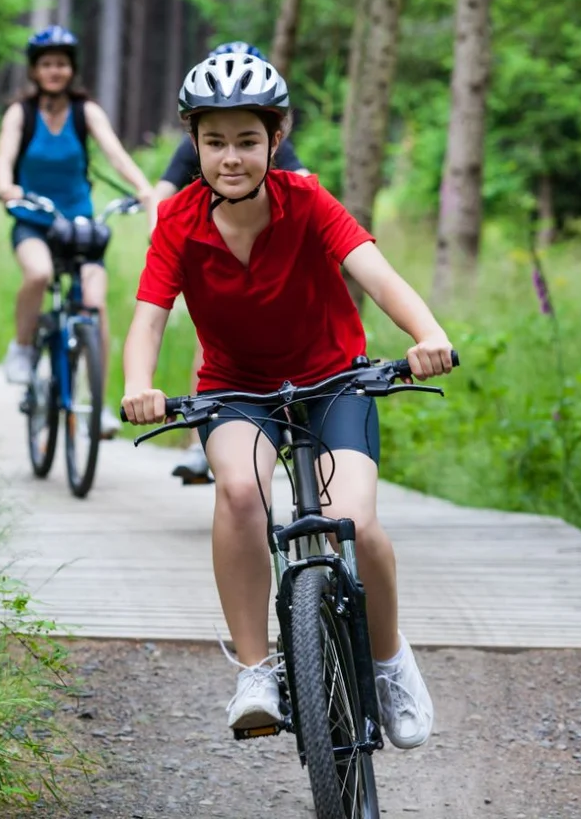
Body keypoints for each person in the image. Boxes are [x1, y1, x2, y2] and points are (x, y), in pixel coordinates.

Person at [121, 53, 453, 749]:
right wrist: (139, 385)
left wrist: (427, 333)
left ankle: (390, 662)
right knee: (240, 492)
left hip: (333, 378)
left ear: (277, 138)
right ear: (194, 143)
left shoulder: (308, 200)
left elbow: (377, 273)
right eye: (214, 142)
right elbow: (149, 316)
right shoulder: (178, 220)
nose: (231, 158)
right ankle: (254, 670)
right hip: (236, 389)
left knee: (352, 520)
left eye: (247, 140)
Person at [147, 41, 310, 484]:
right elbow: (161, 196)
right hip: (208, 255)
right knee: (214, 335)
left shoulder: (264, 140)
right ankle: (210, 445)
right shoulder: (200, 142)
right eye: (216, 140)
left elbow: (302, 184)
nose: (230, 152)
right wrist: (161, 233)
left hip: (273, 265)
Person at [0, 25, 156, 437]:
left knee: (95, 308)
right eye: (47, 64)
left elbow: (115, 153)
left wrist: (143, 188)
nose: (55, 71)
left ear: (71, 69)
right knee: (39, 274)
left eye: (61, 64)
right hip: (33, 219)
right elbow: (4, 157)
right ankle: (24, 348)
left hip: (81, 225)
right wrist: (6, 188)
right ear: (34, 70)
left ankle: (96, 406)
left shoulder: (86, 112)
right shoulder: (21, 113)